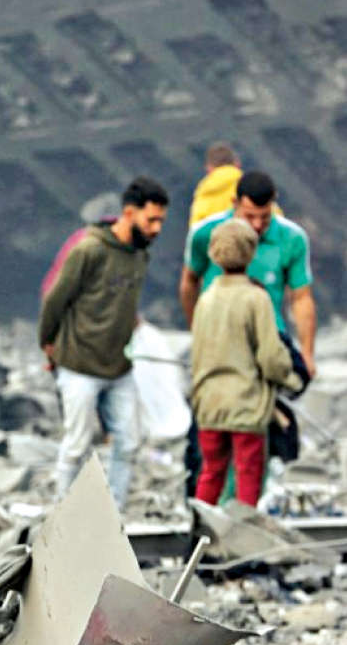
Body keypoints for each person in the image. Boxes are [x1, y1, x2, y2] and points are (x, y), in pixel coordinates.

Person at [38, 176, 169, 510]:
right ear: (129, 212)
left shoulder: (139, 256)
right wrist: (48, 343)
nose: (156, 229)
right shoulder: (89, 249)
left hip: (118, 368)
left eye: (160, 221)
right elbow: (55, 300)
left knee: (128, 443)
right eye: (151, 220)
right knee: (76, 446)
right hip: (79, 364)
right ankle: (63, 517)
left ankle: (113, 515)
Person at [190, 220, 303, 506]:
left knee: (211, 472)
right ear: (251, 252)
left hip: (209, 404)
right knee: (248, 473)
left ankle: (201, 527)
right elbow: (270, 356)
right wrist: (291, 380)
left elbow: (198, 353)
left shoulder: (205, 299)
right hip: (247, 405)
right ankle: (243, 531)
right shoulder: (257, 298)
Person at [181, 170, 315, 376]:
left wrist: (307, 354)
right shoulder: (205, 233)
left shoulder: (292, 238)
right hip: (217, 342)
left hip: (270, 342)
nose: (257, 225)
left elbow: (301, 298)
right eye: (250, 216)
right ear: (235, 203)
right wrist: (197, 332)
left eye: (265, 217)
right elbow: (189, 282)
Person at [190, 142, 243, 225]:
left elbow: (195, 229)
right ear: (237, 164)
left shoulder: (202, 194)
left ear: (209, 168)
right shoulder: (248, 187)